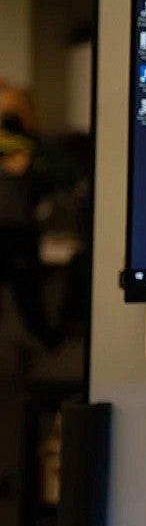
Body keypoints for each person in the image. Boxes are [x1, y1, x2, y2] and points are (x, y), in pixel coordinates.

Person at [0, 85, 59, 350]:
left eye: (12, 114)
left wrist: (30, 162)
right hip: (13, 228)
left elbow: (60, 177)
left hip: (20, 231)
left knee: (29, 298)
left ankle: (46, 345)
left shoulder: (36, 149)